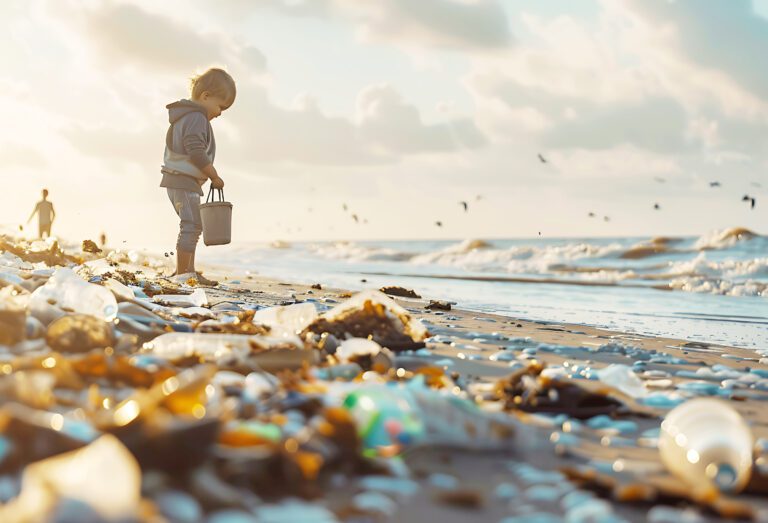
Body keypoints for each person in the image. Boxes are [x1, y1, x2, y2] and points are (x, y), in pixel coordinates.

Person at [160, 68, 236, 286]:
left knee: (192, 224)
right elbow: (196, 152)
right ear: (205, 96)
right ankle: (184, 273)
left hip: (180, 180)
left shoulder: (188, 116)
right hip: (181, 179)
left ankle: (187, 271)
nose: (220, 113)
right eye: (220, 106)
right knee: (191, 224)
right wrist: (214, 176)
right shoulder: (196, 117)